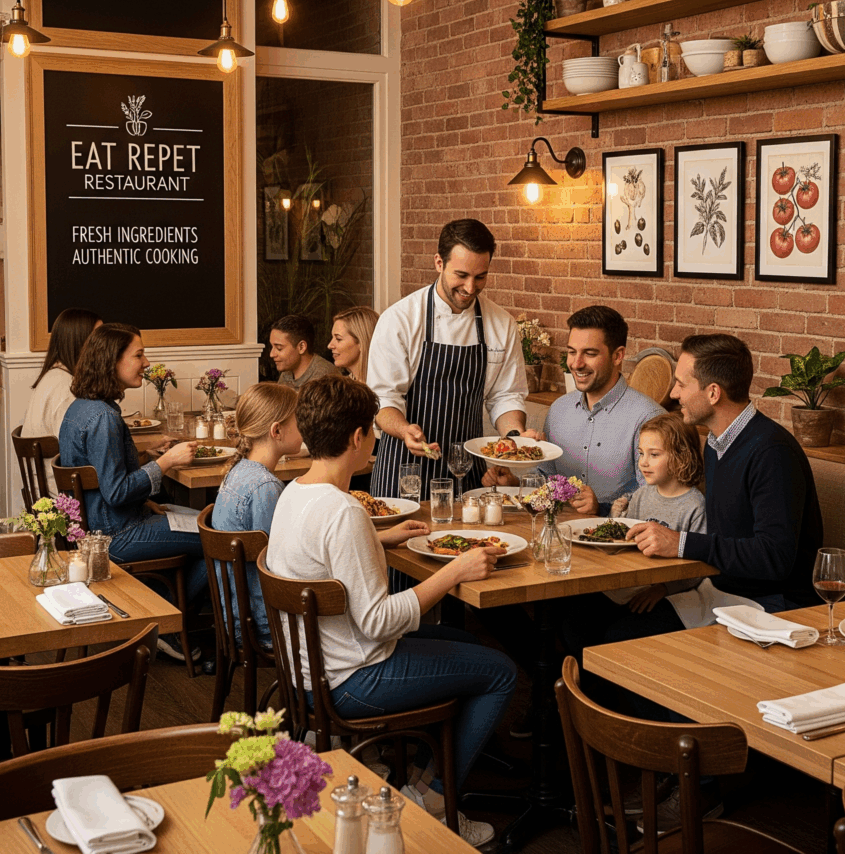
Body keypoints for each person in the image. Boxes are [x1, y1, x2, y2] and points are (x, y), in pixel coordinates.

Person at [266, 375, 516, 847]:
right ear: (358, 437)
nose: (376, 439)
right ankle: (436, 801)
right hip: (353, 681)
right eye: (372, 431)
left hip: (308, 673)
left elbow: (319, 557)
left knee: (467, 645)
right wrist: (455, 572)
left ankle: (423, 781)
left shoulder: (294, 493)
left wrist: (378, 539)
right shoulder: (344, 513)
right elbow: (378, 621)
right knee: (500, 670)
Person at [58, 323, 205, 662]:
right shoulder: (103, 418)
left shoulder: (82, 408)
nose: (146, 361)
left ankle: (151, 607)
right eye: (138, 354)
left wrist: (145, 456)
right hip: (118, 533)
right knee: (222, 537)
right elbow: (117, 492)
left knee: (200, 522)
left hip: (107, 525)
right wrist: (166, 462)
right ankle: (160, 618)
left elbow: (102, 474)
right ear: (112, 361)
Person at [647, 333, 823, 611]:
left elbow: (774, 558)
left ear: (713, 393)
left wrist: (682, 544)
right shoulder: (715, 445)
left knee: (618, 634)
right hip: (720, 592)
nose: (673, 394)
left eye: (681, 384)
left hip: (773, 605)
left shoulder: (772, 452)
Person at [367, 218, 528, 500]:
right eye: (461, 275)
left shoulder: (501, 324)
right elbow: (383, 399)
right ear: (439, 262)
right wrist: (405, 430)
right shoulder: (401, 319)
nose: (470, 287)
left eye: (480, 277)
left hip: (467, 471)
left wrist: (514, 436)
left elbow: (506, 396)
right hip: (404, 469)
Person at [484, 305, 663, 515]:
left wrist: (602, 509)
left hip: (617, 539)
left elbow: (657, 500)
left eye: (589, 353)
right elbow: (546, 482)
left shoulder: (649, 418)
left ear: (618, 356)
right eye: (571, 352)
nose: (576, 364)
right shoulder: (559, 410)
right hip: (557, 531)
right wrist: (513, 483)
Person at [562, 412, 707, 660]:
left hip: (665, 594)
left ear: (682, 457)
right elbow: (628, 544)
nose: (643, 463)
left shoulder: (694, 505)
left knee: (614, 635)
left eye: (654, 454)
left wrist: (662, 588)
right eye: (641, 453)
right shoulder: (642, 495)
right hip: (625, 587)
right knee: (572, 616)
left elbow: (699, 567)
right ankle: (583, 688)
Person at [211, 382, 301, 649]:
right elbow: (278, 567)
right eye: (298, 421)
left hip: (236, 617)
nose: (304, 427)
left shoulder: (238, 471)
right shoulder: (265, 488)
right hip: (261, 626)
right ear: (277, 431)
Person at [22, 307, 101, 496]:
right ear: (79, 341)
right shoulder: (66, 389)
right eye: (97, 338)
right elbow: (81, 456)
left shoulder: (53, 377)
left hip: (47, 492)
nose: (103, 345)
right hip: (64, 497)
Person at [269, 314, 340, 390]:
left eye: (279, 348)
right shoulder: (287, 373)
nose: (271, 354)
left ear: (301, 347)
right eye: (272, 347)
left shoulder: (325, 379)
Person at [328, 306, 379, 381]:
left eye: (338, 339)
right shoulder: (340, 388)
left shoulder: (386, 389)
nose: (330, 345)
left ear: (362, 343)